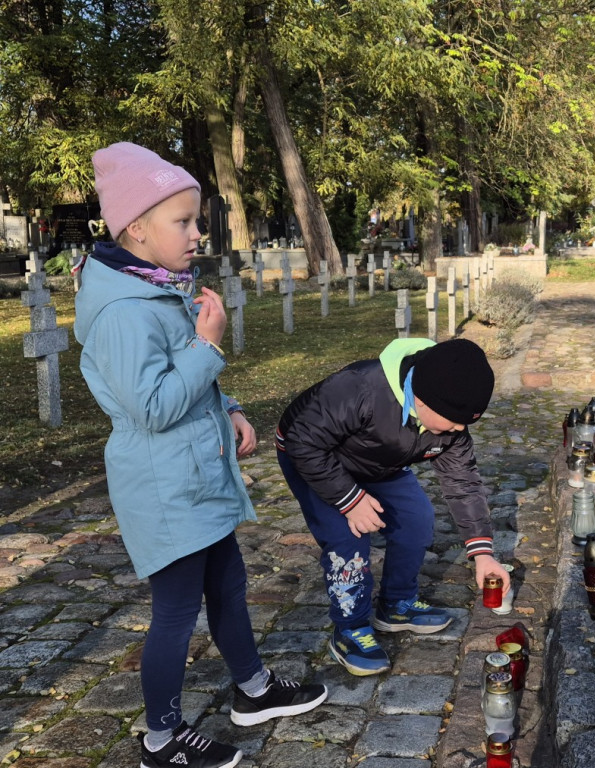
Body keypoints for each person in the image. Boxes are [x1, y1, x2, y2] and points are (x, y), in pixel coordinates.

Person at [74, 142, 327, 768]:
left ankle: (253, 689)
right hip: (164, 486)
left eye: (196, 219)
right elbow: (153, 407)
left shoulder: (157, 286)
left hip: (194, 471)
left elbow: (183, 375)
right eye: (181, 222)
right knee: (177, 611)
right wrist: (210, 347)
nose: (196, 234)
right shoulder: (123, 310)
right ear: (135, 227)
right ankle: (161, 739)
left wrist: (231, 403)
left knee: (229, 583)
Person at [276, 337, 511, 675]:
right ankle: (350, 627)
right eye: (454, 420)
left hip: (379, 460)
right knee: (348, 539)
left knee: (417, 519)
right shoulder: (361, 388)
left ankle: (397, 604)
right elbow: (303, 441)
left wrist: (483, 554)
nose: (460, 429)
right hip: (314, 457)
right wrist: (350, 500)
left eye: (466, 423)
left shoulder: (450, 421)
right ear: (422, 397)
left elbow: (463, 483)